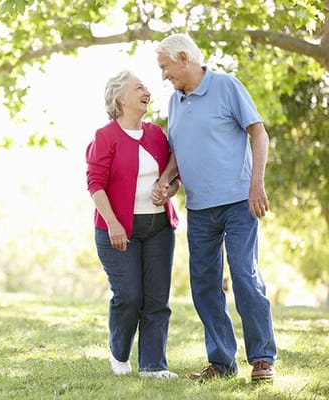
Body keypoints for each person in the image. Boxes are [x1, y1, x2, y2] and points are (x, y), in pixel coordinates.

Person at [153, 33, 277, 382]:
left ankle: (263, 358)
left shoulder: (226, 86)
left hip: (239, 201)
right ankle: (222, 362)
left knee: (244, 275)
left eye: (165, 68)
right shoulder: (175, 103)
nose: (163, 76)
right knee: (204, 285)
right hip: (200, 208)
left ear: (183, 58)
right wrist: (166, 179)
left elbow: (258, 133)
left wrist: (256, 183)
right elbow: (178, 153)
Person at [85, 70, 180, 379]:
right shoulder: (105, 136)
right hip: (117, 230)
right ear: (120, 98)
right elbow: (95, 185)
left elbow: (173, 178)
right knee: (129, 298)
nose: (147, 91)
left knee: (156, 299)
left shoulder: (156, 134)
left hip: (158, 228)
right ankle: (120, 353)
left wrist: (167, 189)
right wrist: (112, 223)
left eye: (146, 88)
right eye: (139, 87)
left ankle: (154, 365)